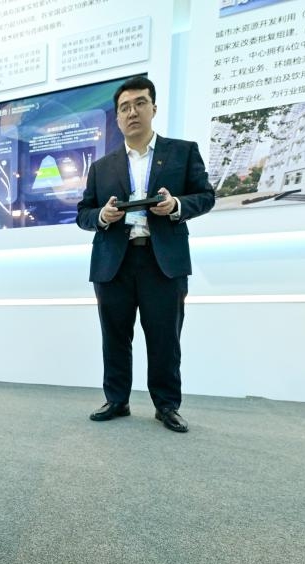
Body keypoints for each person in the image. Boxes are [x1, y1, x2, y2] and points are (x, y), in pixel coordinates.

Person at [76, 76, 214, 433]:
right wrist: (102, 216)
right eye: (124, 107)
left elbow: (206, 196)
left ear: (153, 107)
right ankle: (117, 400)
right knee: (115, 337)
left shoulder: (182, 152)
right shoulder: (102, 166)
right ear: (117, 118)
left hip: (162, 260)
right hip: (114, 263)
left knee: (165, 338)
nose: (132, 112)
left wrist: (176, 205)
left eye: (139, 103)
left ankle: (166, 405)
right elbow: (83, 213)